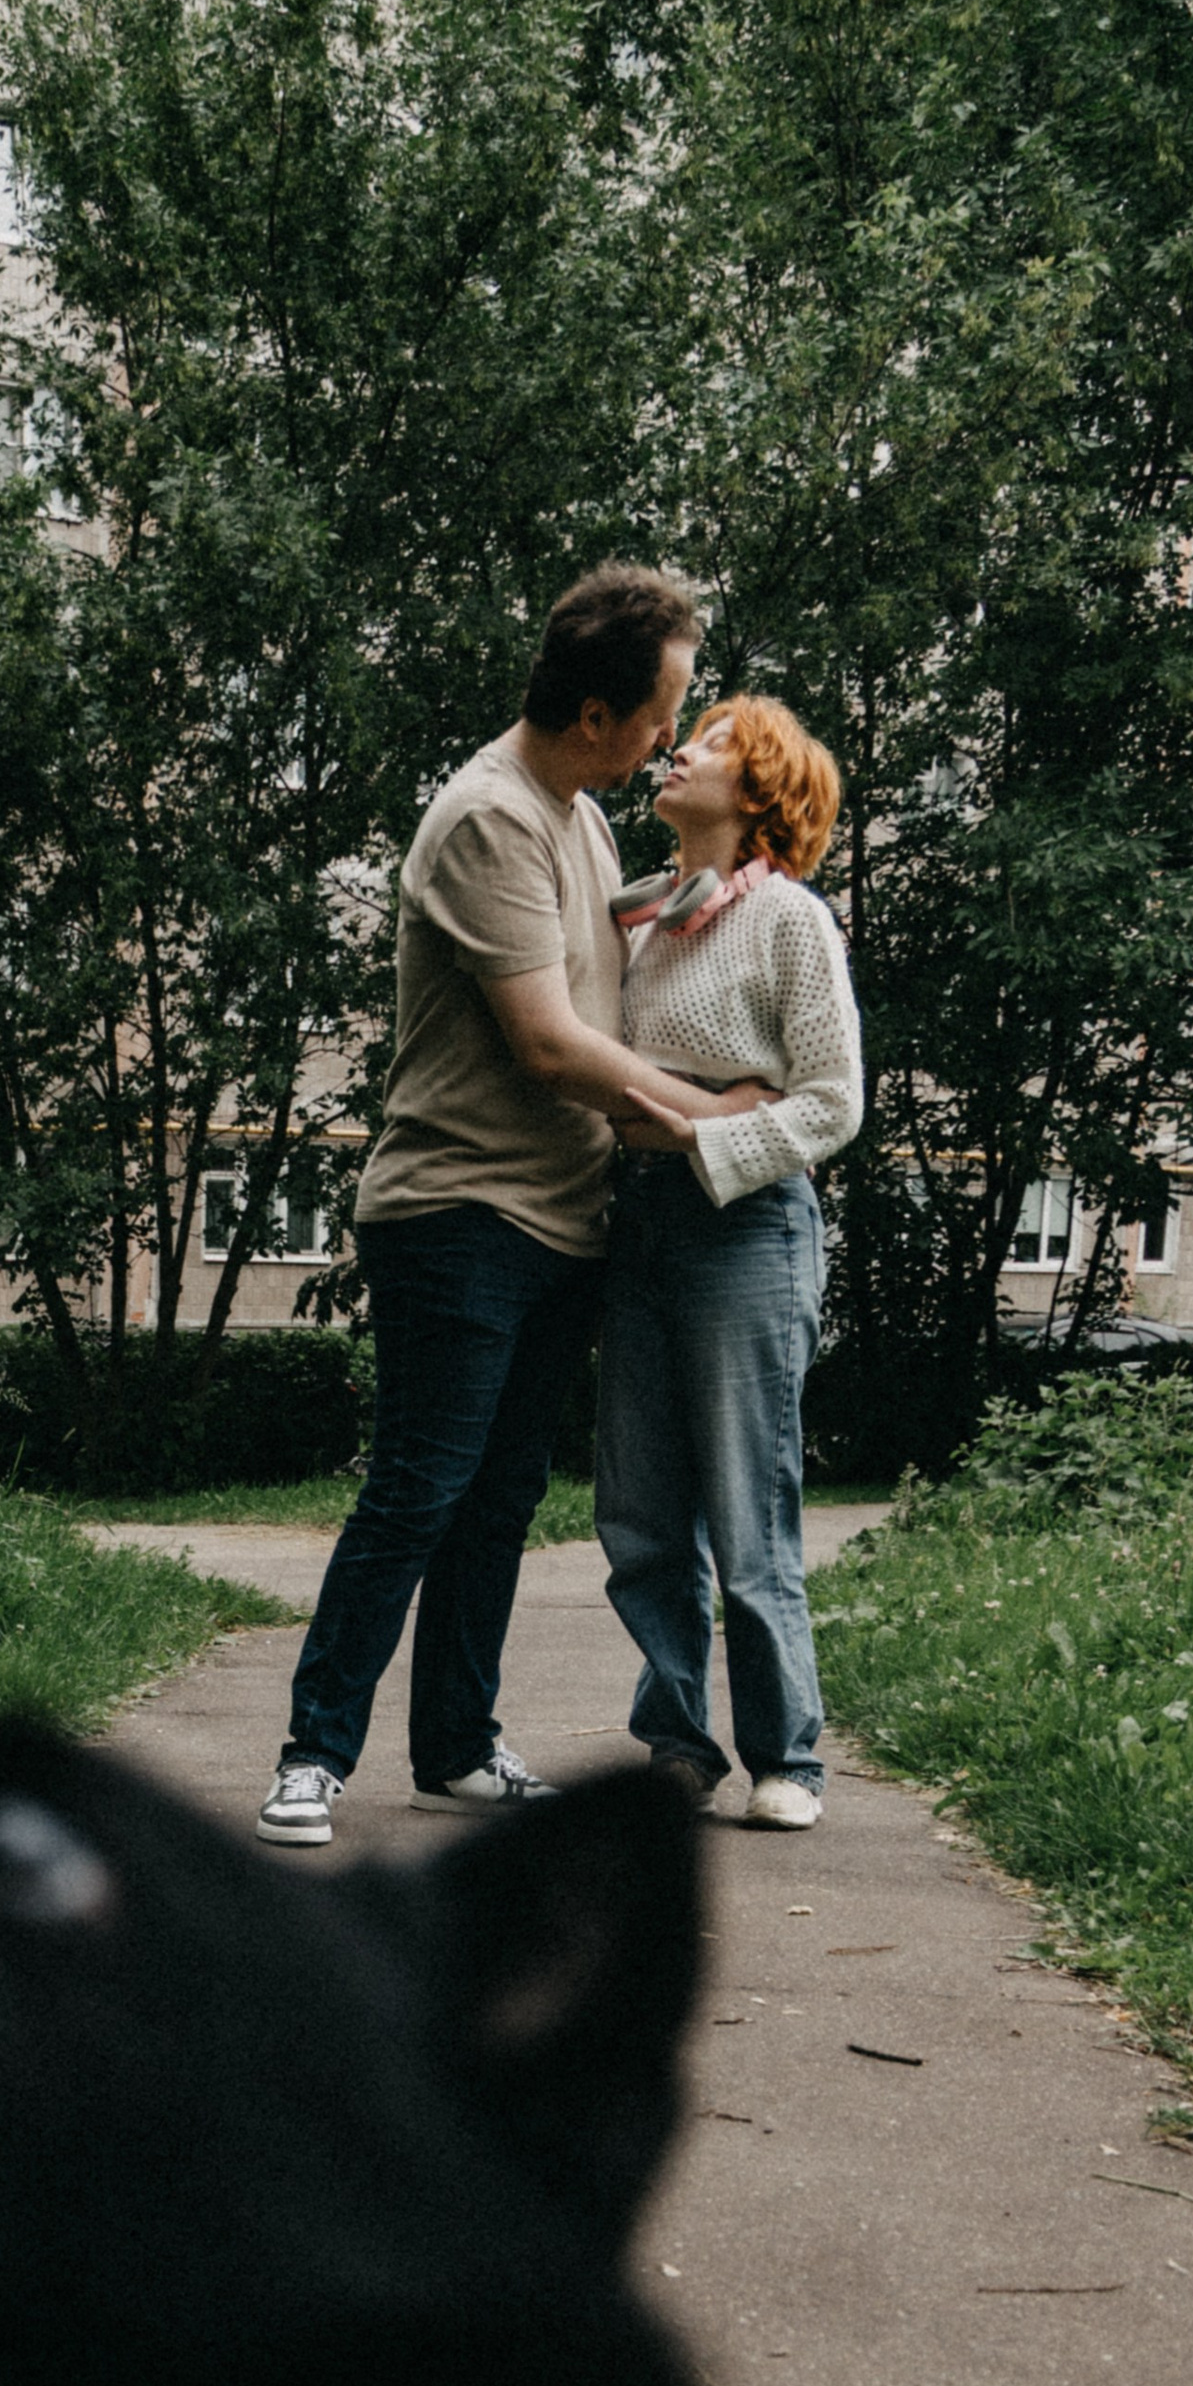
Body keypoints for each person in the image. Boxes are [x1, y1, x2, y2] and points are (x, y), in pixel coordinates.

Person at [257, 565, 740, 1850]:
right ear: (595, 712)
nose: (669, 739)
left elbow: (616, 966)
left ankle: (457, 1751)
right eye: (661, 712)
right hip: (458, 1208)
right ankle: (313, 1753)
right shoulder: (490, 816)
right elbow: (546, 1041)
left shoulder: (579, 818)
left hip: (559, 1216)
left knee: (500, 1497)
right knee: (421, 1486)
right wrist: (710, 1117)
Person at [596, 696, 864, 1828]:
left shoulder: (791, 920)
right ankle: (675, 1742)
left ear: (757, 793)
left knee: (749, 1507)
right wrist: (689, 1110)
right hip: (636, 1221)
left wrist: (702, 1133)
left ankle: (785, 1758)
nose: (675, 751)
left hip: (747, 1224)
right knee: (641, 1512)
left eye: (703, 745)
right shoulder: (640, 920)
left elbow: (833, 1105)